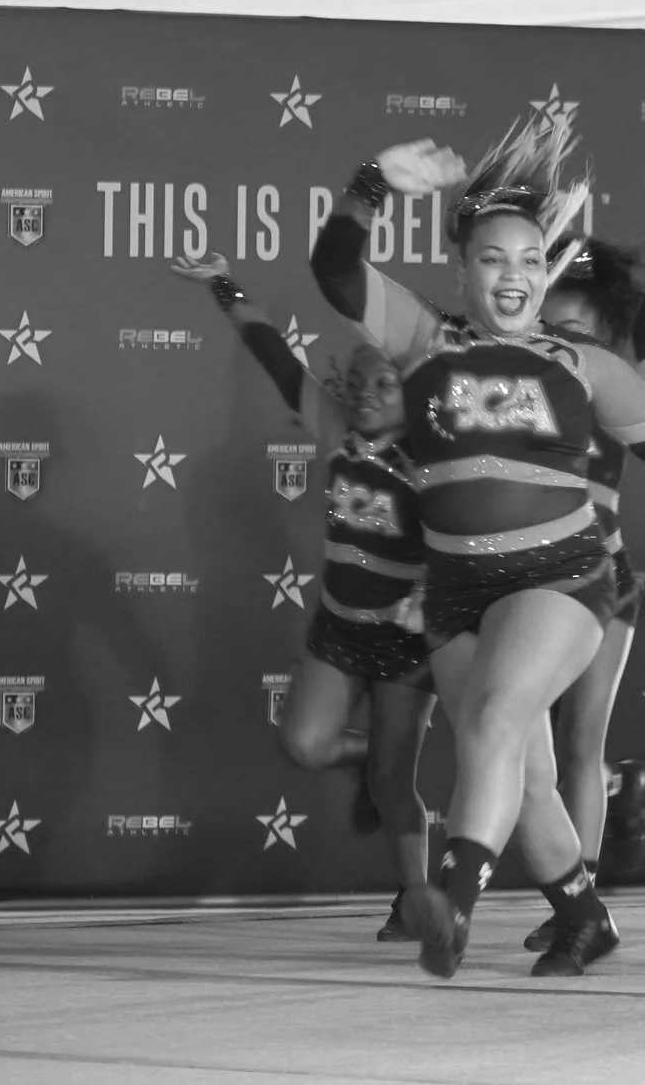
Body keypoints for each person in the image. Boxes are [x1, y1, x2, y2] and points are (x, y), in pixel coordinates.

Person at [312, 115, 645, 978]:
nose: (513, 275)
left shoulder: (579, 364)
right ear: (463, 270)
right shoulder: (425, 343)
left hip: (563, 577)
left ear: (547, 271)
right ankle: (586, 918)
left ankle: (452, 904)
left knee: (494, 720)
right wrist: (372, 183)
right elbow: (334, 270)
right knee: (527, 772)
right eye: (492, 259)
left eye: (529, 260)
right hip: (456, 593)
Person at [169, 253, 436, 939]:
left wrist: (426, 595)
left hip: (406, 645)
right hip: (338, 630)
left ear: (413, 390)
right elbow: (275, 359)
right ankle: (366, 761)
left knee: (395, 782)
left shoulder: (435, 465)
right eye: (358, 381)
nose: (367, 393)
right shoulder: (339, 431)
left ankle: (414, 897)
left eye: (385, 382)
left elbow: (465, 543)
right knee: (305, 744)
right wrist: (223, 285)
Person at [517, 132, 645, 939]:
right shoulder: (509, 372)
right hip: (520, 578)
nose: (567, 346)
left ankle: (579, 903)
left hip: (602, 575)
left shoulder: (621, 376)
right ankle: (568, 880)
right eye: (552, 328)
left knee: (579, 737)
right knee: (519, 736)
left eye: (583, 334)